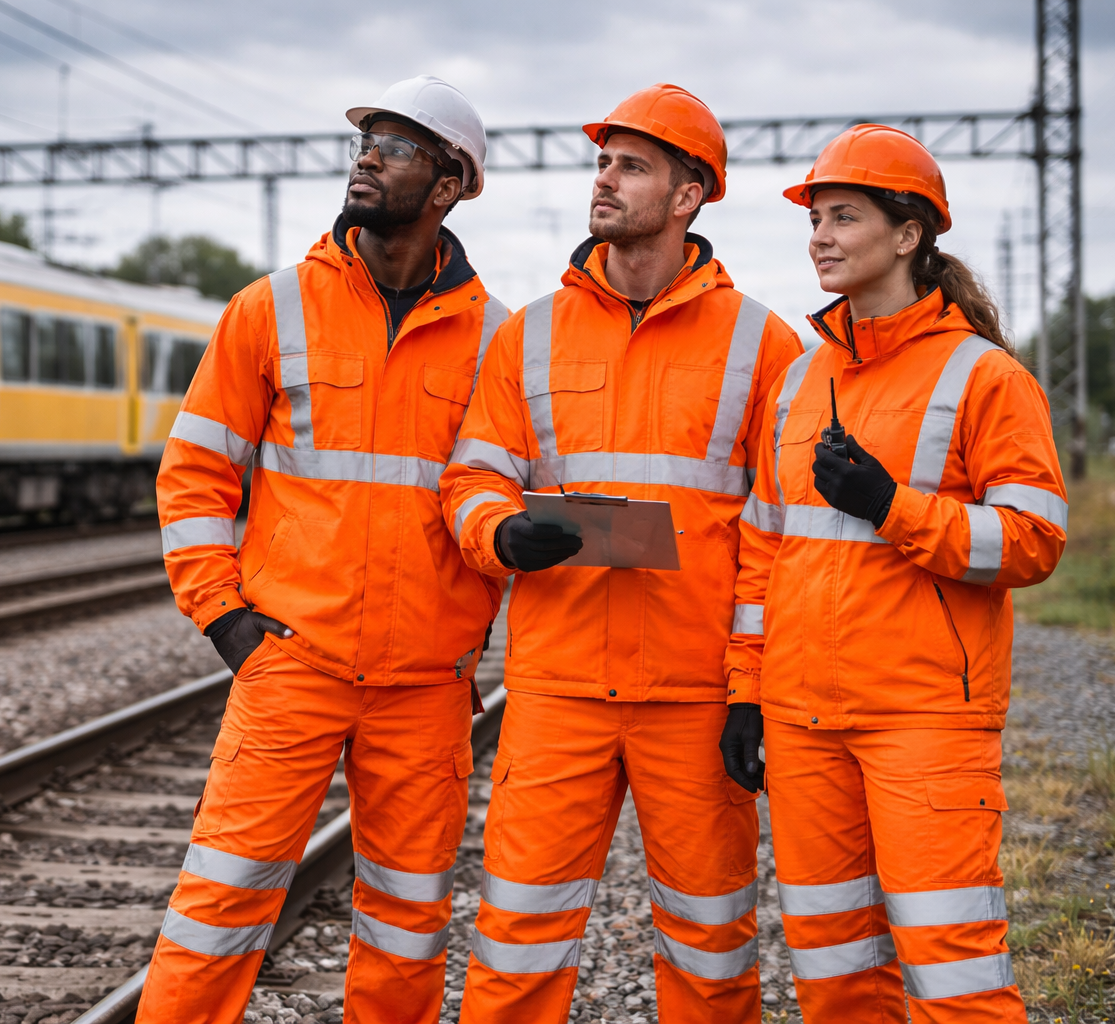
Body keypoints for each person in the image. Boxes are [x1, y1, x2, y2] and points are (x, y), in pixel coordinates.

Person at [138, 75, 509, 1024]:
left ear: (450, 183)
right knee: (220, 902)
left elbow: (496, 499)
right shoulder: (270, 310)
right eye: (365, 143)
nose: (366, 159)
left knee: (407, 919)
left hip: (428, 682)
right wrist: (224, 619)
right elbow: (194, 478)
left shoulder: (497, 342)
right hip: (290, 664)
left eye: (395, 147)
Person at [440, 83, 803, 1022]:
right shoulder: (530, 336)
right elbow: (471, 476)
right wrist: (500, 533)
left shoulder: (764, 346)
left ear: (689, 195)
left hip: (693, 694)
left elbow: (783, 540)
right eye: (602, 161)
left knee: (712, 943)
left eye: (630, 165)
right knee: (517, 935)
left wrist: (753, 691)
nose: (604, 178)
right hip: (556, 687)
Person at [738, 124, 1067, 1022]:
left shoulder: (985, 377)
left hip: (925, 719)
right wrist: (745, 694)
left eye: (845, 216)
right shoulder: (800, 382)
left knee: (952, 970)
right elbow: (761, 550)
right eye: (816, 220)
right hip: (803, 721)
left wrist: (894, 507)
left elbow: (1034, 540)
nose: (822, 237)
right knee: (833, 964)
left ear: (910, 233)